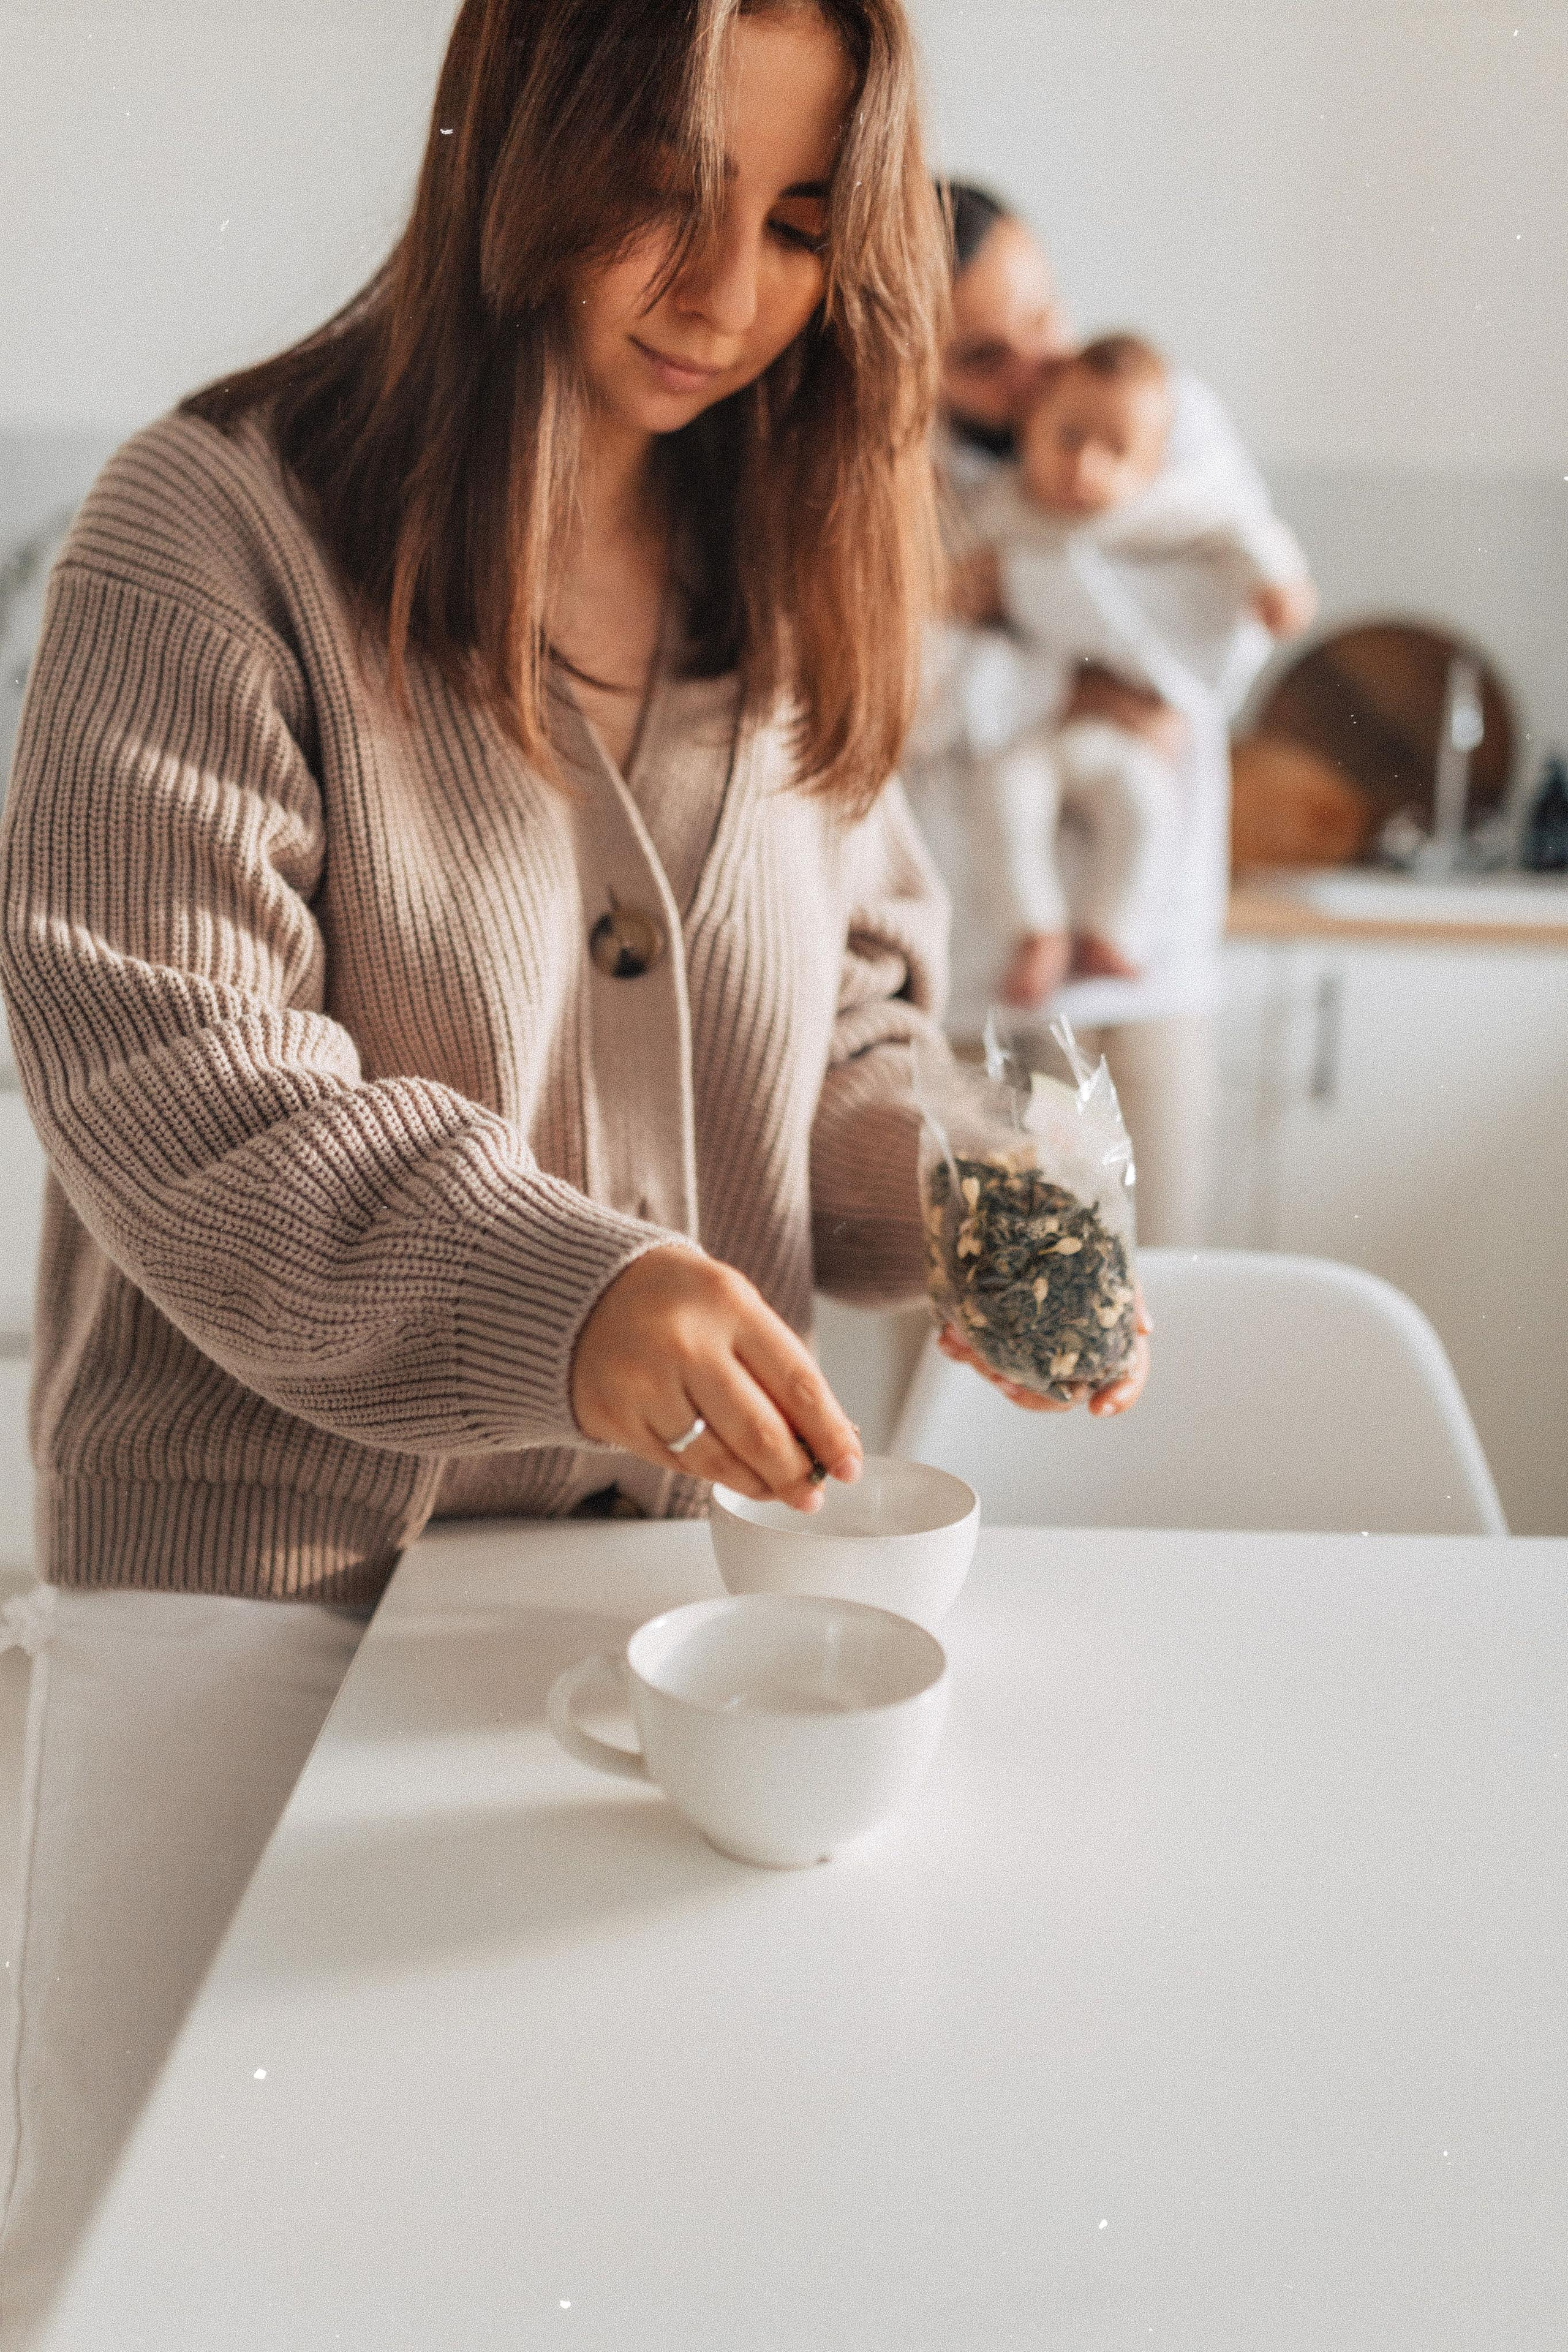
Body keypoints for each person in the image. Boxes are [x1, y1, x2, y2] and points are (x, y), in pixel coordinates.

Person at [0, 8, 1149, 2334]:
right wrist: (578, 1293)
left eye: (801, 223)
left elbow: (850, 1018)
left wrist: (970, 1200)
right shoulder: (208, 534)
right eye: (665, 190)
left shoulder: (794, 562)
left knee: (608, 2266)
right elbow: (174, 1067)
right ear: (514, 139)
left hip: (658, 1623)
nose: (723, 290)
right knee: (172, 2280)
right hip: (258, 1606)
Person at [906, 181, 1315, 1246]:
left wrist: (1014, 591)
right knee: (980, 1324)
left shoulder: (1163, 413)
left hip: (1151, 968)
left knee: (1159, 1305)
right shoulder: (890, 476)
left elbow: (1215, 646)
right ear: (911, 359)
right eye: (984, 357)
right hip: (979, 991)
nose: (1043, 368)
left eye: (1044, 315)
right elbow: (894, 698)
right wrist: (1067, 685)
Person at [964, 331, 1314, 1006]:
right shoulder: (1002, 507)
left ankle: (1113, 934)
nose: (1084, 466)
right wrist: (956, 584)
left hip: (1119, 742)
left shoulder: (1157, 510)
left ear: (1151, 463)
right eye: (1067, 438)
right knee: (1007, 797)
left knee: (1145, 804)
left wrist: (1279, 583)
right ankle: (1037, 932)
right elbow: (945, 577)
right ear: (1031, 426)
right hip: (1034, 735)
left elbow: (1239, 528)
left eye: (1115, 450)